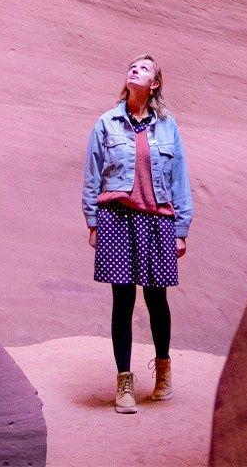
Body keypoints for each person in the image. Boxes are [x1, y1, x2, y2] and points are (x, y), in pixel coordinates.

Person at [82, 54, 193, 413]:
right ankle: (125, 383)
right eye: (132, 66)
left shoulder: (167, 126)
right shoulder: (106, 123)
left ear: (154, 84)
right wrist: (93, 221)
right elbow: (92, 175)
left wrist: (180, 228)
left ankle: (163, 372)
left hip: (159, 219)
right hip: (117, 217)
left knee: (157, 299)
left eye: (144, 68)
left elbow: (180, 181)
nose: (135, 69)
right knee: (123, 301)